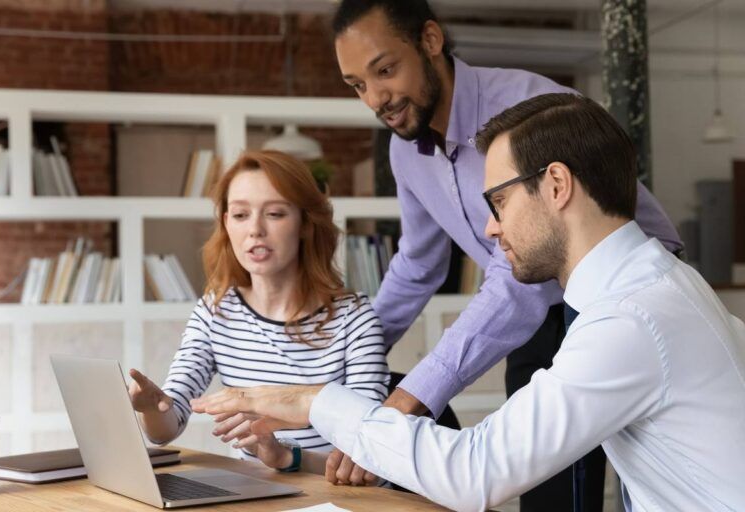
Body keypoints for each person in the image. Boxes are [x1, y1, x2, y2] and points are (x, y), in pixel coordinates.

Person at [190, 93, 745, 511]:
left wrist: (315, 401)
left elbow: (476, 472)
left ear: (555, 186)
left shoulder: (628, 320)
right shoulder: (662, 286)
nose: (489, 227)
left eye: (498, 201)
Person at [327, 0, 683, 508]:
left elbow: (517, 278)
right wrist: (351, 353)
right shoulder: (405, 151)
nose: (376, 98)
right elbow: (420, 264)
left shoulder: (527, 107)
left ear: (430, 41)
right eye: (358, 85)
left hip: (620, 292)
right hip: (536, 298)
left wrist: (414, 395)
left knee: (632, 480)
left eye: (385, 70)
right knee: (537, 487)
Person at [128, 150, 390, 472]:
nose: (255, 230)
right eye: (240, 215)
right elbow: (166, 427)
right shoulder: (216, 311)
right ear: (227, 224)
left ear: (306, 224)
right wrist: (152, 407)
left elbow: (373, 456)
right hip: (260, 496)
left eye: (275, 214)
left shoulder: (355, 318)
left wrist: (286, 457)